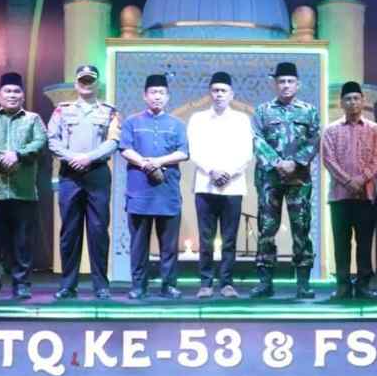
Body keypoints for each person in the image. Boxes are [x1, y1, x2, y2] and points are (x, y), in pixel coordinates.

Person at [48, 65, 120, 300]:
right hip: (70, 175)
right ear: (76, 83)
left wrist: (89, 157)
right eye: (82, 80)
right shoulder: (62, 110)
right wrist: (73, 158)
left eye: (90, 80)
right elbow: (52, 140)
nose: (86, 84)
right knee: (70, 231)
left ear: (97, 84)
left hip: (97, 173)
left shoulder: (110, 112)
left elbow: (113, 141)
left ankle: (101, 286)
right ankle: (68, 285)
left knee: (98, 231)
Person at [0, 72, 47, 300]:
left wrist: (18, 154)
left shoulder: (33, 119)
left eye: (16, 91)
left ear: (23, 96)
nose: (12, 95)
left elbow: (40, 142)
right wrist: (1, 158)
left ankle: (21, 284)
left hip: (23, 191)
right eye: (8, 91)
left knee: (22, 243)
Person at [251, 62, 320, 299]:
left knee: (301, 228)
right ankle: (265, 282)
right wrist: (277, 162)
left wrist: (295, 162)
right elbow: (257, 139)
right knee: (266, 229)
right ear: (275, 84)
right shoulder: (263, 111)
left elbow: (314, 139)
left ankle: (303, 283)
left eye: (290, 81)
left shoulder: (309, 111)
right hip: (269, 179)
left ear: (297, 84)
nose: (286, 85)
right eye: (281, 81)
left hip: (299, 180)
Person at [120, 74, 189, 299]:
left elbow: (183, 152)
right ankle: (138, 286)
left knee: (169, 246)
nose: (157, 97)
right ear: (145, 96)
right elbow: (125, 149)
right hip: (139, 193)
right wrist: (144, 163)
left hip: (167, 194)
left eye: (161, 93)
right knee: (139, 245)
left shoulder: (177, 124)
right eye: (153, 92)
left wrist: (158, 161)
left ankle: (168, 285)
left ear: (167, 97)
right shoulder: (132, 122)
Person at [187, 71, 253, 299]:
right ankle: (205, 283)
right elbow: (193, 149)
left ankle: (227, 283)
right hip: (205, 185)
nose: (219, 94)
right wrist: (212, 171)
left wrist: (229, 173)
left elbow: (247, 152)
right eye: (215, 90)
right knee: (205, 239)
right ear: (210, 93)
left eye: (223, 90)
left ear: (231, 94)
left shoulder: (241, 120)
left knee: (229, 238)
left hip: (233, 187)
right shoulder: (197, 119)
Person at [322, 81, 377, 300]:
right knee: (341, 243)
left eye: (356, 98)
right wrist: (349, 181)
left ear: (363, 101)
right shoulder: (331, 130)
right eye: (348, 99)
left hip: (366, 195)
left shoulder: (375, 129)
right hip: (340, 197)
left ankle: (364, 285)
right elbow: (328, 160)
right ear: (341, 103)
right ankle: (343, 286)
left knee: (365, 243)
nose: (352, 102)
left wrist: (361, 180)